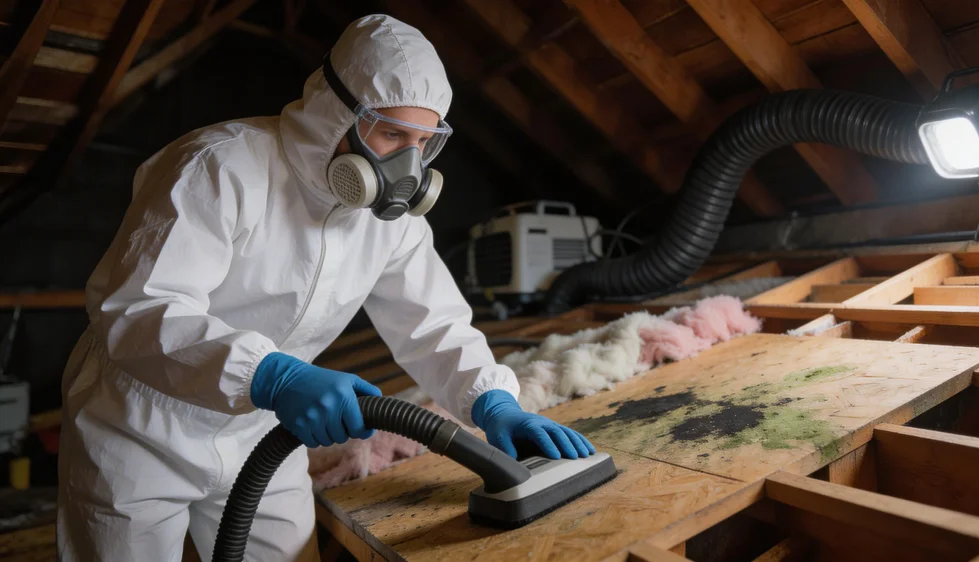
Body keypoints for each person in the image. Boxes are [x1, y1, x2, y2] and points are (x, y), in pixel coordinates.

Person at [56, 13, 595, 562]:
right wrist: (274, 375)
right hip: (141, 430)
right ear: (336, 114)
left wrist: (493, 401)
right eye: (392, 134)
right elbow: (141, 308)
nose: (407, 166)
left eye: (423, 141)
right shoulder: (220, 166)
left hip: (262, 432)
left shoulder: (391, 223)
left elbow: (432, 325)